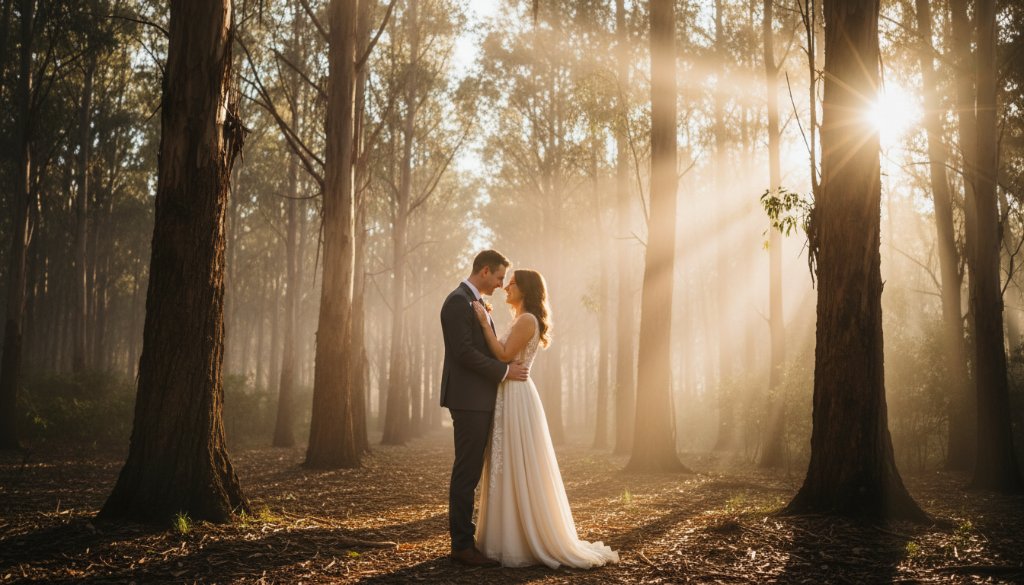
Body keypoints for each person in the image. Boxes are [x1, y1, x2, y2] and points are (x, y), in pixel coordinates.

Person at [471, 268, 620, 569]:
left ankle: (523, 539)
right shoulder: (520, 319)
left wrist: (483, 323)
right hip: (508, 393)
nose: (506, 289)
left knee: (516, 461)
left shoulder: (527, 320)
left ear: (524, 290)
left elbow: (502, 354)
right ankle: (505, 536)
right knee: (505, 462)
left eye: (511, 284)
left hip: (516, 396)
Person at [439, 250, 530, 567]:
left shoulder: (471, 300)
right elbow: (463, 352)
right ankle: (461, 545)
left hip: (480, 398)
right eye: (500, 277)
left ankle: (467, 540)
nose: (501, 284)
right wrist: (504, 373)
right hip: (468, 400)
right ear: (485, 270)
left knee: (473, 470)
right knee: (467, 472)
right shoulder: (457, 302)